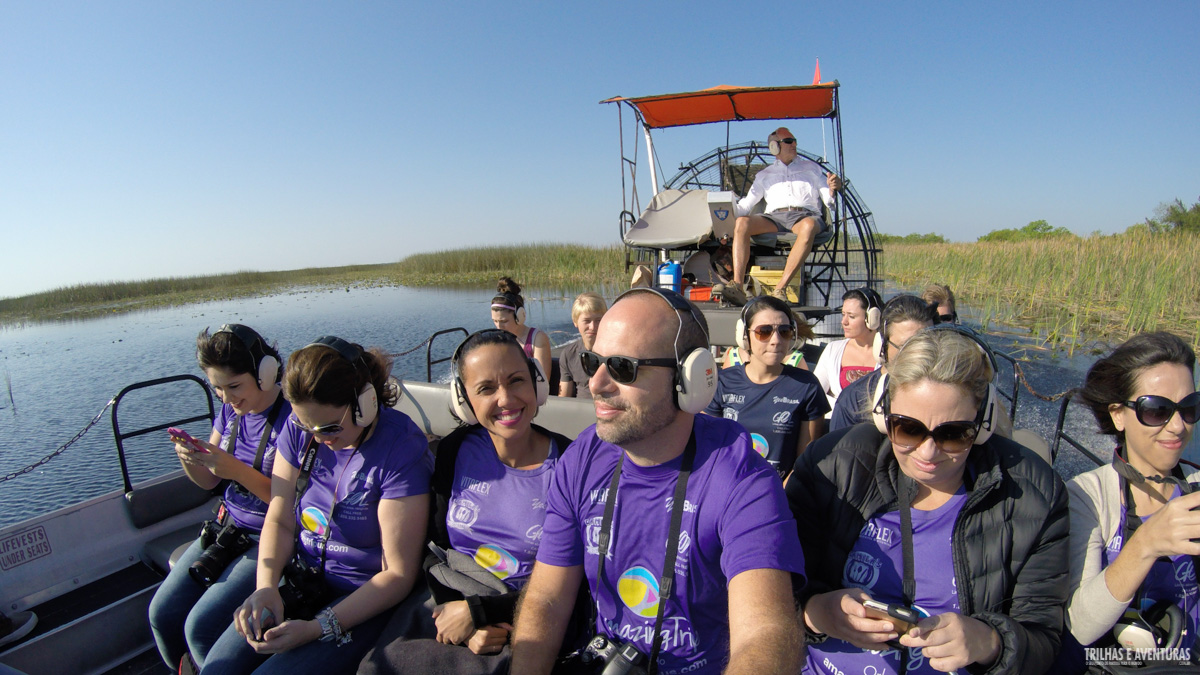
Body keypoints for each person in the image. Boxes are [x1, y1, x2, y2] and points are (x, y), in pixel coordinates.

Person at [509, 288, 806, 675]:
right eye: (591, 361)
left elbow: (766, 637)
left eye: (622, 367)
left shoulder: (743, 480)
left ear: (690, 379)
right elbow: (547, 598)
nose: (596, 384)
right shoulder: (583, 457)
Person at [788, 328, 1069, 674]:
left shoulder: (1035, 495)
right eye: (908, 428)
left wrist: (988, 641)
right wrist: (817, 612)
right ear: (884, 413)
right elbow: (771, 590)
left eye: (953, 434)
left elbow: (1042, 639)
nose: (928, 452)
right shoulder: (832, 466)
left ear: (982, 423)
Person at [202, 337, 431, 674]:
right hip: (307, 578)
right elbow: (280, 520)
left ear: (365, 403)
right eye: (308, 426)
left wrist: (318, 628)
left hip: (366, 597)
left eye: (329, 428)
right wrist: (266, 587)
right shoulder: (300, 431)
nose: (320, 439)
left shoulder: (400, 447)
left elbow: (397, 575)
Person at [358, 329, 574, 674]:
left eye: (516, 380)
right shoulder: (454, 450)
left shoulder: (572, 465)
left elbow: (579, 587)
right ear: (465, 400)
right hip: (449, 603)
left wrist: (481, 614)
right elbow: (434, 548)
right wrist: (455, 609)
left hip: (524, 621)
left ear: (537, 383)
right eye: (486, 389)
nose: (505, 399)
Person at [149, 324, 291, 672]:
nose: (226, 398)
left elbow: (291, 503)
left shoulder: (293, 418)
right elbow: (209, 481)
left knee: (199, 628)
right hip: (227, 527)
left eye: (233, 386)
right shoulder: (231, 412)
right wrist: (191, 460)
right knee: (162, 613)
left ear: (265, 373)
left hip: (267, 537)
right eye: (217, 389)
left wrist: (236, 470)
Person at [1063, 332, 1200, 667]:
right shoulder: (1088, 496)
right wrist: (1145, 544)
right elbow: (1077, 627)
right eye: (1157, 410)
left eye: (1189, 408)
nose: (1178, 426)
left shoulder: (1197, 488)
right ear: (1118, 415)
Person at [705, 295, 829, 477]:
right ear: (745, 336)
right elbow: (709, 451)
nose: (776, 340)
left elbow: (803, 465)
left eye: (784, 331)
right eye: (764, 331)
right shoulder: (721, 383)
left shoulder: (807, 386)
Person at [721, 126, 843, 306]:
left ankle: (781, 288)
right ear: (774, 147)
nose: (794, 144)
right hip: (774, 218)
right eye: (788, 141)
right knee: (741, 223)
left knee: (808, 226)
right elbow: (745, 206)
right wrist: (723, 212)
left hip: (805, 216)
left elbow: (828, 199)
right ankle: (737, 285)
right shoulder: (765, 175)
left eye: (794, 141)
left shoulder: (812, 168)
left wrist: (833, 189)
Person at [829, 296, 938, 432]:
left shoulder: (955, 395)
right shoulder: (853, 401)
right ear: (882, 345)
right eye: (906, 347)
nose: (918, 355)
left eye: (926, 345)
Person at [813, 288, 884, 416]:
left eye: (851, 316)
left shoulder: (889, 353)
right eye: (843, 314)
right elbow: (815, 394)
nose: (844, 322)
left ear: (873, 317)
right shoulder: (832, 349)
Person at [490, 277, 552, 380]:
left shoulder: (537, 339)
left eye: (504, 321)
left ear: (519, 316)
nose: (499, 327)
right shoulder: (498, 340)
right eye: (495, 321)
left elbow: (542, 381)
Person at [558, 292, 607, 398]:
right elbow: (563, 397)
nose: (593, 327)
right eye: (587, 321)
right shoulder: (568, 355)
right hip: (581, 410)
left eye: (598, 320)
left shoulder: (615, 351)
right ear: (575, 322)